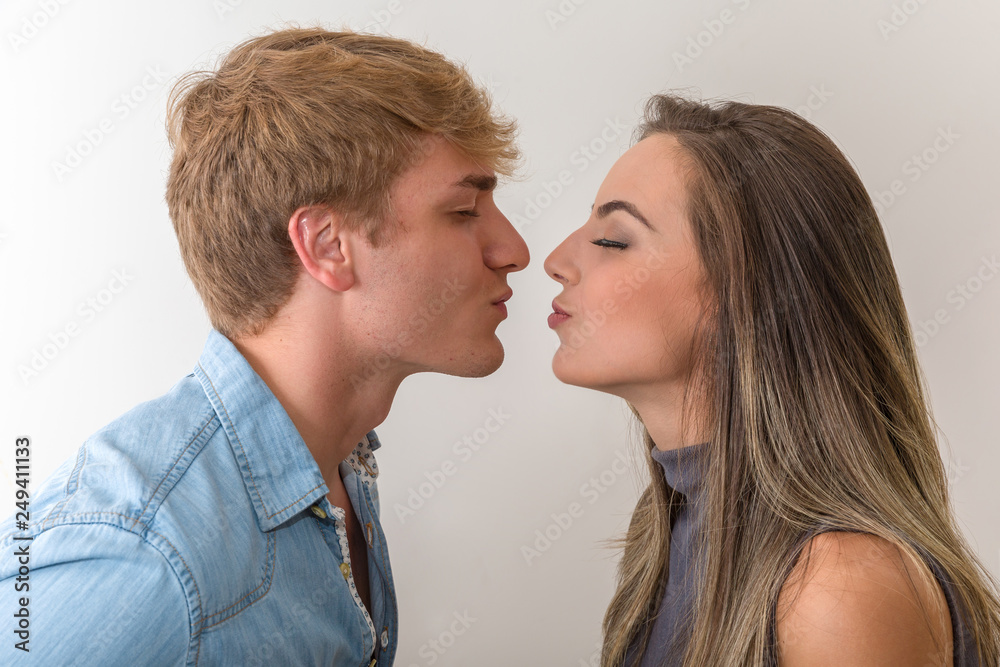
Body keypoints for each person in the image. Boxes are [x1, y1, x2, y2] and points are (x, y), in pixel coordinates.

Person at [0, 27, 527, 665]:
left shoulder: (337, 470)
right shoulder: (148, 559)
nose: (514, 250)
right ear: (328, 245)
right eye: (465, 210)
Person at [544, 93, 1000, 666]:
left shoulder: (837, 584)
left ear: (743, 295)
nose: (556, 258)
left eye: (613, 239)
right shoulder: (670, 529)